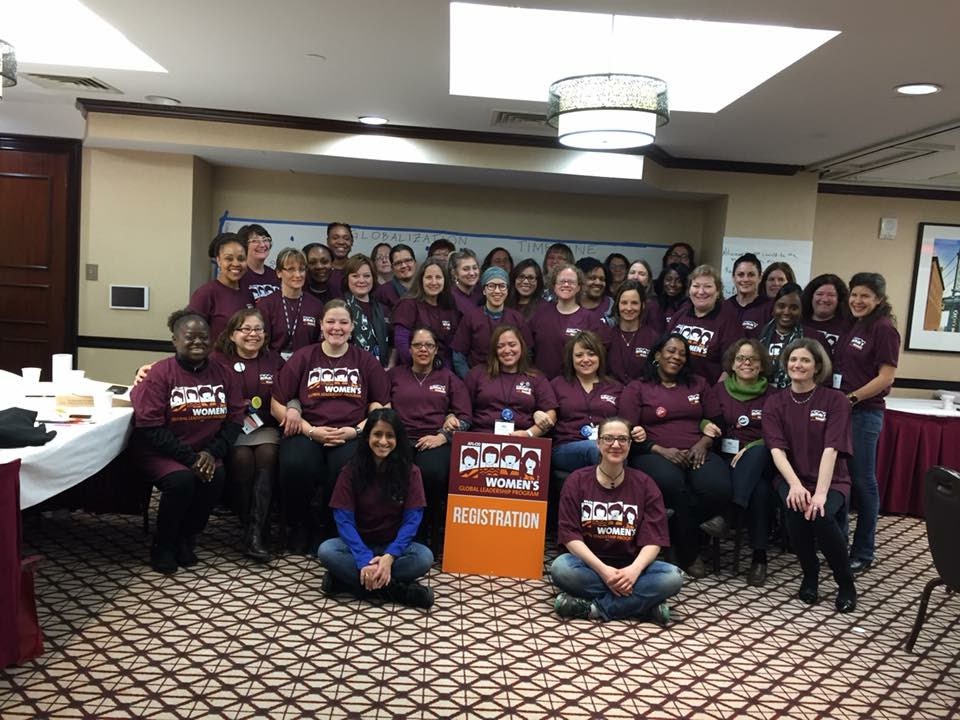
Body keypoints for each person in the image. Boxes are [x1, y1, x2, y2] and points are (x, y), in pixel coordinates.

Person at [130, 309, 244, 574]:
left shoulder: (223, 373)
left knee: (215, 478)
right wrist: (191, 459)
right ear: (175, 341)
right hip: (160, 452)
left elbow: (234, 421)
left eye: (204, 337)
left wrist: (210, 452)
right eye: (190, 338)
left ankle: (186, 537)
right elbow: (150, 427)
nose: (198, 343)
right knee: (181, 481)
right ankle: (164, 544)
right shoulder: (159, 374)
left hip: (204, 450)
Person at [271, 299, 389, 552]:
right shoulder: (304, 356)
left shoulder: (366, 360)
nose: (337, 327)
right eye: (331, 322)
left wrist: (357, 431)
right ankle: (300, 525)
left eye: (343, 322)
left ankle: (330, 528)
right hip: (308, 430)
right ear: (321, 326)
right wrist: (309, 430)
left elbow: (383, 407)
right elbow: (276, 403)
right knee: (295, 465)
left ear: (352, 327)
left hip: (351, 433)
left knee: (345, 469)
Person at [549, 416, 683, 622]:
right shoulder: (577, 480)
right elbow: (570, 536)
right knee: (561, 569)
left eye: (622, 439)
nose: (615, 445)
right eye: (608, 438)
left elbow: (654, 540)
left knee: (672, 577)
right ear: (598, 443)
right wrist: (604, 572)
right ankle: (643, 607)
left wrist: (633, 571)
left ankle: (594, 609)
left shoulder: (645, 484)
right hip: (589, 566)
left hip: (633, 567)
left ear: (630, 444)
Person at [622, 333, 731, 578]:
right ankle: (689, 553)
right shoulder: (638, 387)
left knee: (719, 488)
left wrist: (704, 443)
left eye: (682, 353)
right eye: (671, 351)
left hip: (697, 450)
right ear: (657, 355)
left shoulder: (699, 384)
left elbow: (717, 421)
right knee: (673, 485)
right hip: (653, 452)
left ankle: (673, 528)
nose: (677, 357)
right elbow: (627, 432)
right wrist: (662, 451)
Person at [763, 338, 857, 612]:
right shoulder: (775, 402)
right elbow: (777, 450)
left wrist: (820, 494)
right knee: (795, 512)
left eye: (805, 360)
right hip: (791, 477)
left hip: (832, 480)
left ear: (817, 366)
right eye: (793, 359)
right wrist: (794, 485)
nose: (798, 365)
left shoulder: (835, 400)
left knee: (821, 515)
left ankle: (846, 583)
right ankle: (810, 575)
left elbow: (832, 449)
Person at [317, 408, 435, 608]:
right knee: (326, 550)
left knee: (424, 558)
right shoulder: (350, 470)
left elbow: (413, 519)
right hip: (358, 545)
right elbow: (343, 519)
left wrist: (390, 557)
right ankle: (398, 591)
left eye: (390, 435)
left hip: (395, 547)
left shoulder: (411, 472)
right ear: (367, 437)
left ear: (398, 439)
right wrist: (363, 558)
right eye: (377, 434)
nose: (383, 441)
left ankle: (344, 583)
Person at [832, 272, 900, 575]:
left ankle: (863, 551)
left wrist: (851, 399)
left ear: (879, 300)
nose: (858, 301)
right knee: (843, 480)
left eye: (866, 296)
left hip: (864, 413)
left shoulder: (884, 329)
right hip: (844, 411)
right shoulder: (855, 324)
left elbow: (886, 377)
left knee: (863, 482)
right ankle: (840, 544)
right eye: (855, 294)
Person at [387, 327, 472, 546]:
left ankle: (427, 532)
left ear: (436, 350)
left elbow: (465, 417)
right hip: (396, 440)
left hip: (434, 440)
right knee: (392, 471)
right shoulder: (394, 375)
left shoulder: (449, 378)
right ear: (410, 348)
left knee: (431, 473)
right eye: (417, 345)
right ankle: (391, 533)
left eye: (429, 345)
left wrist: (443, 436)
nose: (423, 349)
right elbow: (380, 407)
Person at [211, 308, 282, 562]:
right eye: (246, 329)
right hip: (232, 429)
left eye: (259, 329)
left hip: (266, 427)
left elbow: (291, 390)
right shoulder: (216, 360)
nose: (253, 334)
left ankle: (256, 532)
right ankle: (251, 528)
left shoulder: (274, 360)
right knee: (241, 459)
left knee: (267, 454)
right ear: (232, 334)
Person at [713, 340, 775, 585]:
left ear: (762, 365)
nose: (746, 363)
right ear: (732, 363)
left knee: (759, 454)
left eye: (753, 359)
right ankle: (760, 558)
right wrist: (706, 426)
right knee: (759, 492)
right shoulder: (717, 390)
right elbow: (703, 419)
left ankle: (730, 514)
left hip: (759, 458)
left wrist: (750, 447)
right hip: (723, 457)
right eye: (741, 358)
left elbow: (777, 434)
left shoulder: (774, 395)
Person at [465, 325, 557, 437]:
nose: (507, 350)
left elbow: (551, 414)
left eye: (512, 345)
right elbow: (461, 409)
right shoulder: (477, 374)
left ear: (522, 346)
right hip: (481, 438)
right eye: (500, 346)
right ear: (494, 350)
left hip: (523, 439)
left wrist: (529, 433)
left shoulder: (536, 377)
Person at [550, 331, 623, 473]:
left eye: (591, 354)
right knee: (596, 449)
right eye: (579, 355)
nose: (585, 359)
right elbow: (546, 413)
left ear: (600, 356)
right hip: (566, 447)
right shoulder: (557, 385)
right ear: (571, 358)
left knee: (612, 451)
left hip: (607, 444)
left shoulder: (616, 388)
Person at [668, 265, 741, 383]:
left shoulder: (728, 321)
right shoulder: (679, 316)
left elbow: (731, 366)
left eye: (707, 286)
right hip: (674, 388)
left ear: (718, 291)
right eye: (696, 286)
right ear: (689, 290)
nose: (701, 292)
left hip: (708, 392)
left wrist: (715, 394)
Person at [451, 266, 529, 376]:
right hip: (478, 379)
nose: (497, 291)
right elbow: (458, 355)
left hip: (511, 379)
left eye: (502, 286)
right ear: (484, 290)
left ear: (507, 290)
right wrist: (470, 379)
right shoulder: (471, 317)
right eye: (491, 286)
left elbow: (528, 352)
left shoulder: (517, 318)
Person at [529, 264, 603, 379]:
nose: (566, 284)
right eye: (562, 281)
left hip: (574, 384)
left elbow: (596, 355)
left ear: (579, 287)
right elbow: (528, 349)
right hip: (541, 383)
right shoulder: (540, 314)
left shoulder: (590, 319)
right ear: (554, 285)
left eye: (571, 282)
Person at [391, 258, 461, 368]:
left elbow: (449, 350)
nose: (434, 282)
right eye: (429, 277)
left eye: (438, 277)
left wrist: (443, 371)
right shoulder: (408, 305)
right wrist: (423, 367)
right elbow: (401, 343)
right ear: (421, 280)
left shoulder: (449, 308)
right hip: (413, 369)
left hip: (442, 370)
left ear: (445, 281)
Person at [256, 248, 323, 360]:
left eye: (302, 269)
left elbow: (319, 344)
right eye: (291, 269)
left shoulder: (316, 306)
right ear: (279, 273)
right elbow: (260, 343)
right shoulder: (266, 305)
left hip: (305, 368)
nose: (298, 275)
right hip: (273, 367)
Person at [188, 232, 254, 342]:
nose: (236, 263)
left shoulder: (247, 292)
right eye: (229, 259)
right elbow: (191, 335)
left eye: (241, 258)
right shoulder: (206, 293)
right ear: (218, 260)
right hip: (216, 358)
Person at [757, 282, 820, 389]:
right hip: (761, 394)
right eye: (781, 306)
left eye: (794, 308)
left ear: (801, 310)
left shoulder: (813, 337)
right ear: (773, 307)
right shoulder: (759, 334)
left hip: (799, 397)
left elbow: (822, 376)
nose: (786, 312)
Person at [598, 280, 659, 385]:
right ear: (617, 305)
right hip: (610, 394)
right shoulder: (606, 336)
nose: (629, 308)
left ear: (643, 305)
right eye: (624, 303)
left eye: (634, 303)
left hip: (642, 395)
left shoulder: (653, 338)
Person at [341, 254, 392, 367]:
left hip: (381, 372)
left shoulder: (383, 309)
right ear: (347, 278)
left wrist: (390, 367)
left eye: (367, 276)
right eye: (355, 276)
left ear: (373, 278)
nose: (361, 280)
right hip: (349, 373)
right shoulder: (338, 308)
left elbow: (394, 343)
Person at [802, 274, 851, 353]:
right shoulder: (799, 324)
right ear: (811, 296)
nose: (825, 299)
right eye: (819, 294)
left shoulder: (847, 328)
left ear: (839, 299)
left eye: (831, 295)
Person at [726, 253, 769, 336]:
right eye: (740, 275)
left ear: (760, 278)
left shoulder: (769, 309)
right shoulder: (724, 307)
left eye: (751, 275)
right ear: (733, 278)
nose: (745, 279)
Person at [237, 224, 279, 301]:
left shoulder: (275, 275)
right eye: (255, 241)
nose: (262, 245)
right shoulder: (238, 274)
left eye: (265, 240)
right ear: (243, 245)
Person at [374, 244, 417, 315]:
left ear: (415, 262)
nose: (404, 265)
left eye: (408, 260)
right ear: (392, 267)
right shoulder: (383, 292)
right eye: (398, 263)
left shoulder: (426, 287)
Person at [648, 263, 689, 333]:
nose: (672, 284)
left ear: (685, 283)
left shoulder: (688, 306)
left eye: (678, 281)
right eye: (668, 279)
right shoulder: (653, 303)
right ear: (662, 280)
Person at [449, 249, 482, 315]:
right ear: (454, 273)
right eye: (466, 269)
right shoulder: (450, 297)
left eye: (475, 268)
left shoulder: (481, 294)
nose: (472, 273)